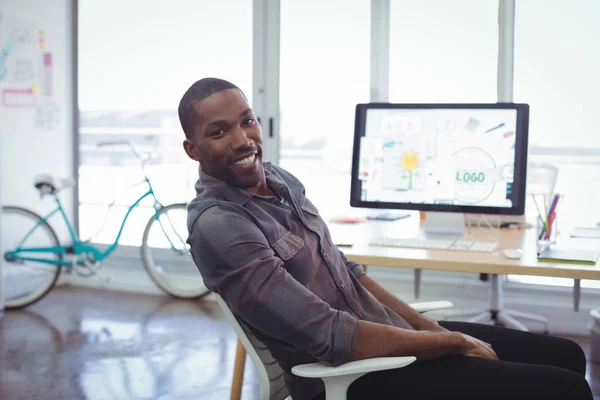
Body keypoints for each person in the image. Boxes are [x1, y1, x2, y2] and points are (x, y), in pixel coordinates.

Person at [180, 77, 593, 400]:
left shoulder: (279, 181)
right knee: (565, 389)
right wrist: (450, 342)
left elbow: (349, 273)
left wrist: (428, 329)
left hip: (384, 338)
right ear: (192, 149)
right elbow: (331, 335)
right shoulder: (221, 227)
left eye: (246, 121)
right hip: (354, 377)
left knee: (566, 354)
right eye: (218, 132)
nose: (242, 140)